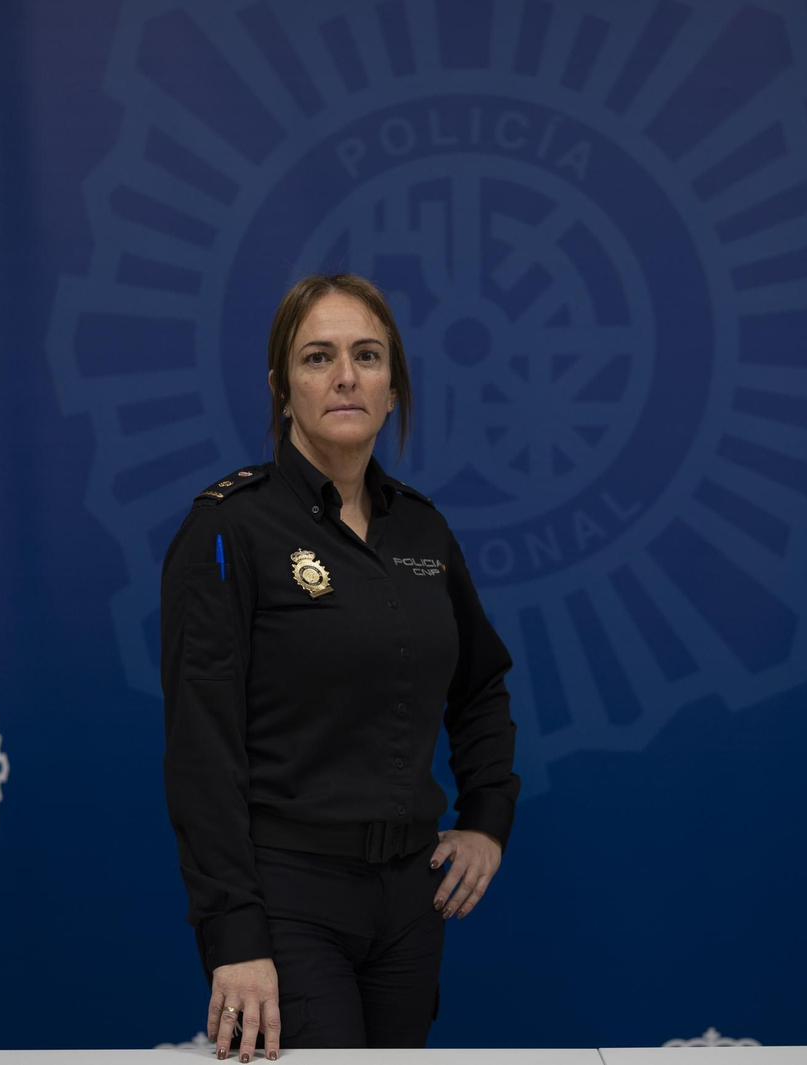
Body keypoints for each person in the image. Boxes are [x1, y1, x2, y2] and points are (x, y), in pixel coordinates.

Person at [159, 273, 520, 1059]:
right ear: (282, 390)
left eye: (368, 355)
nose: (347, 376)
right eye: (318, 357)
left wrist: (487, 817)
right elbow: (201, 750)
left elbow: (480, 683)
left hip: (409, 900)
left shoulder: (422, 529)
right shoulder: (230, 529)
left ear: (394, 388)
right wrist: (234, 934)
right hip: (287, 897)